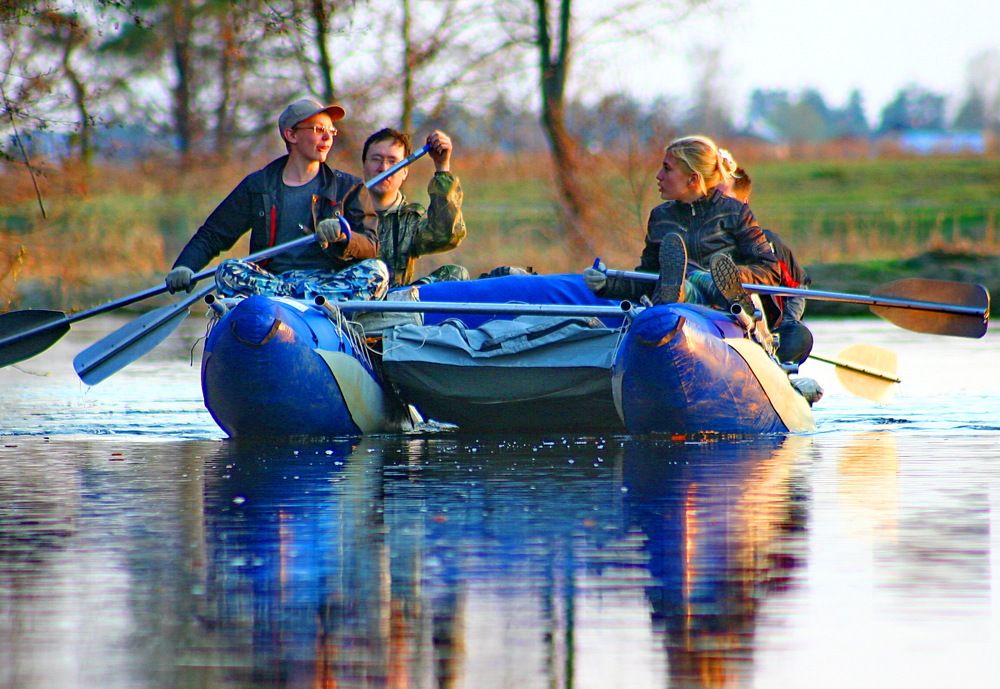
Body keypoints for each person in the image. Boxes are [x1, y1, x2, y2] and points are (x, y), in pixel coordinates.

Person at [165, 98, 388, 301]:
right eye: (319, 129)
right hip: (273, 283)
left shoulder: (349, 187)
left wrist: (345, 236)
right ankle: (296, 301)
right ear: (291, 135)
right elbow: (213, 235)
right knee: (228, 271)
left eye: (331, 131)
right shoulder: (258, 186)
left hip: (329, 284)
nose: (327, 137)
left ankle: (309, 301)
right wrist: (185, 266)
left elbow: (372, 245)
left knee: (377, 271)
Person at [583, 134, 780, 314]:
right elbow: (647, 278)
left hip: (725, 313)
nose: (658, 176)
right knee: (678, 284)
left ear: (692, 179)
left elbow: (769, 271)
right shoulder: (660, 217)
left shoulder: (736, 212)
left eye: (667, 169)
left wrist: (732, 275)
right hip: (678, 309)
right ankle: (683, 290)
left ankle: (714, 288)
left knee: (699, 280)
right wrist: (606, 284)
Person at [719, 159, 815, 366]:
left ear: (742, 204)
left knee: (798, 335)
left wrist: (788, 321)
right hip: (717, 330)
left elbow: (797, 287)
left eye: (724, 200)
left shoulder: (769, 242)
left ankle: (777, 368)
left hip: (766, 332)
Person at [361, 127, 468, 287]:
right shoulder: (345, 211)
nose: (383, 168)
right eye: (376, 159)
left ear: (404, 172)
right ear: (364, 165)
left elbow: (446, 236)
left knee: (456, 274)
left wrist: (442, 167)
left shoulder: (409, 219)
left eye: (392, 162)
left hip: (398, 304)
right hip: (352, 303)